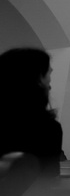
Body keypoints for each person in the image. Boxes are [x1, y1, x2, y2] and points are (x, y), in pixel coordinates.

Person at [0, 48, 63, 176]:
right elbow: (46, 182)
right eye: (48, 78)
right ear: (37, 81)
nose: (50, 86)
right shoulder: (47, 129)